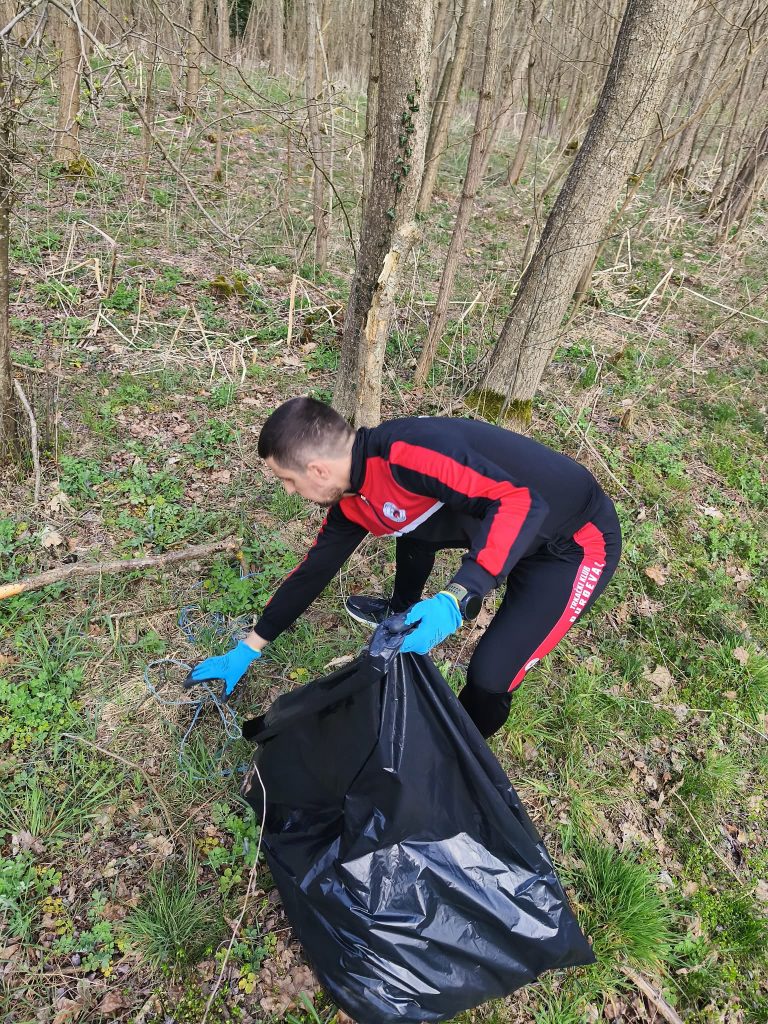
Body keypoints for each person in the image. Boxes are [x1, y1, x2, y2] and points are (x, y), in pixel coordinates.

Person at [186, 396, 622, 739]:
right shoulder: (353, 498)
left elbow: (522, 502)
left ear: (316, 469)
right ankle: (402, 610)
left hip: (572, 543)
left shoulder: (408, 453)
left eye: (287, 479)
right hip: (501, 529)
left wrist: (459, 595)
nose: (289, 490)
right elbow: (313, 571)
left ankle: (462, 758)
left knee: (491, 676)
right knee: (408, 523)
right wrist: (250, 646)